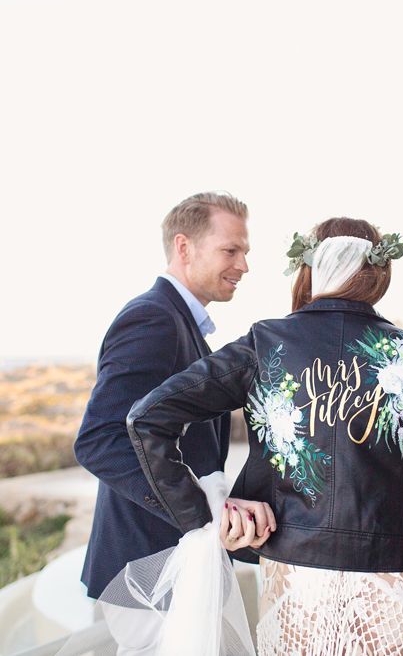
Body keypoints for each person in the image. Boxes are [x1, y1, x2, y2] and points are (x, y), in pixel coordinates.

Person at [126, 217, 403, 655]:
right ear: (379, 274)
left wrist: (205, 515)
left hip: (297, 579)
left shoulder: (265, 344)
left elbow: (148, 418)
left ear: (307, 270)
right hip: (400, 582)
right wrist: (398, 504)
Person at [74, 191, 274, 600]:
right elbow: (101, 440)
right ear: (184, 247)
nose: (244, 265)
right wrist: (204, 515)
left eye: (245, 252)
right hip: (145, 571)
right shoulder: (153, 319)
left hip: (176, 567)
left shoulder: (180, 323)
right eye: (230, 250)